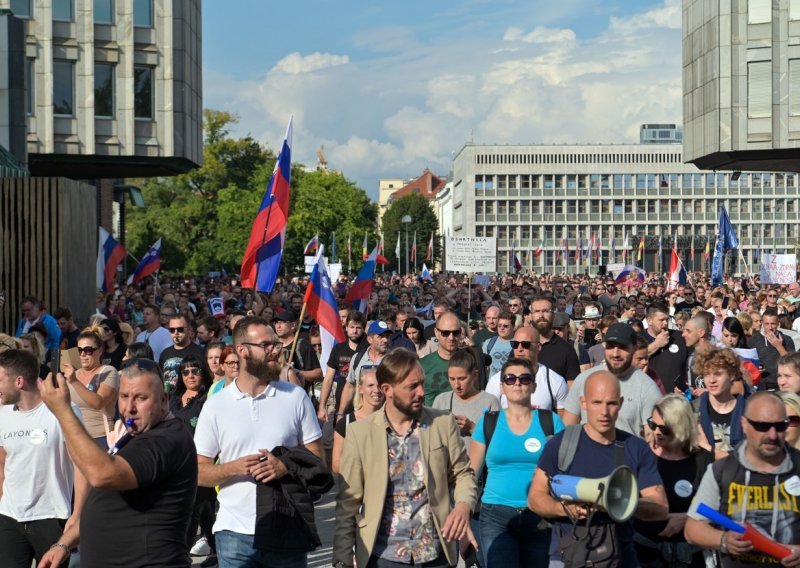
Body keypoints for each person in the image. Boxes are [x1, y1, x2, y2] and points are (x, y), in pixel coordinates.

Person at [37, 358, 198, 568]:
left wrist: (63, 411)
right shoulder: (138, 432)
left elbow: (101, 474)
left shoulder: (166, 440)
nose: (129, 407)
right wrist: (63, 544)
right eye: (124, 396)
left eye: (141, 398)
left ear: (163, 400)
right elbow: (105, 500)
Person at [194, 316, 323, 567]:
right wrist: (233, 468)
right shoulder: (216, 406)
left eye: (276, 345)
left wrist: (286, 466)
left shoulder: (295, 397)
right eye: (266, 346)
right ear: (242, 350)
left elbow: (318, 460)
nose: (275, 351)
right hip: (234, 535)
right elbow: (198, 471)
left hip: (287, 528)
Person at [333, 348, 478, 568]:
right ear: (387, 390)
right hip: (384, 555)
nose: (421, 392)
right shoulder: (360, 433)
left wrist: (463, 505)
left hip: (435, 553)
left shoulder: (442, 423)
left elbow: (462, 474)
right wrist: (343, 557)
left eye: (421, 383)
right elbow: (348, 501)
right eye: (412, 386)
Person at [528, 371, 668, 567]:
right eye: (596, 403)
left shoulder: (635, 448)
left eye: (611, 403)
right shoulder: (561, 444)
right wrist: (563, 509)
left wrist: (622, 503)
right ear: (583, 403)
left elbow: (660, 508)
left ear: (620, 403)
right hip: (567, 556)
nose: (604, 412)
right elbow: (535, 497)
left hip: (620, 557)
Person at [685, 392, 800, 567]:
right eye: (762, 426)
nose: (773, 435)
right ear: (744, 424)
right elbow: (693, 528)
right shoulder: (721, 471)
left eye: (780, 426)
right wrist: (723, 540)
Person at [470, 357, 564, 567]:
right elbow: (471, 473)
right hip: (496, 515)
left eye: (524, 378)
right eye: (510, 379)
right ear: (502, 386)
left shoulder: (551, 422)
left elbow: (564, 470)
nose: (517, 383)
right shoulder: (488, 422)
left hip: (539, 515)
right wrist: (463, 511)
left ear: (533, 385)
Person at [0, 349, 88, 568]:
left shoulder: (62, 410)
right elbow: (2, 463)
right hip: (9, 516)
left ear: (19, 381)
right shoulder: (2, 413)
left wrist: (77, 514)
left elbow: (82, 467)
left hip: (52, 516)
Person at [634, 394, 713, 567]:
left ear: (681, 427)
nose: (656, 432)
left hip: (690, 554)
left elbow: (718, 508)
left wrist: (686, 518)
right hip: (644, 552)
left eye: (665, 428)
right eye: (653, 424)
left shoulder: (703, 461)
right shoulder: (641, 456)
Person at [563, 323, 663, 437]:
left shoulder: (647, 388)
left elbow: (653, 439)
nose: (615, 353)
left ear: (634, 348)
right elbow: (568, 430)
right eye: (610, 346)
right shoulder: (584, 380)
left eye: (622, 347)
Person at [169, 356, 217, 562]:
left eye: (195, 371)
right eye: (185, 372)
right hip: (174, 463)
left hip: (200, 463)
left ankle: (181, 557)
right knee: (202, 511)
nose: (190, 375)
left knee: (196, 510)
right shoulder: (173, 397)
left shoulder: (208, 399)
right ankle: (215, 550)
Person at [485, 325, 568, 414]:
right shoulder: (496, 381)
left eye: (525, 344)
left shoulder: (555, 381)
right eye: (515, 344)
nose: (520, 349)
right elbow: (489, 421)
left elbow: (563, 423)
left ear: (538, 347)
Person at [62, 327, 120, 449]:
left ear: (100, 350)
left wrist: (74, 381)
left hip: (99, 437)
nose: (83, 354)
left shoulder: (108, 371)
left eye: (88, 350)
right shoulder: (74, 374)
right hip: (74, 438)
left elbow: (98, 402)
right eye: (79, 350)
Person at [433, 348, 500, 446]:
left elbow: (497, 441)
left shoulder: (490, 401)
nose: (456, 385)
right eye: (452, 379)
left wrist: (472, 428)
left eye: (462, 379)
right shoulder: (441, 400)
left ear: (474, 375)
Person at [694, 348, 747, 459]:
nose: (711, 380)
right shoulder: (694, 410)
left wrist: (708, 449)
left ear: (732, 375)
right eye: (707, 374)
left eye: (717, 374)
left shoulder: (748, 411)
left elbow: (750, 457)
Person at [331, 367, 384, 473]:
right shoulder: (345, 424)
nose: (376, 390)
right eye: (370, 385)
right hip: (356, 486)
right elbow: (336, 465)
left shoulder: (390, 420)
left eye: (379, 386)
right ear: (360, 388)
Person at [337, 320, 391, 416]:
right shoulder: (358, 358)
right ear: (370, 339)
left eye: (387, 336)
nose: (385, 340)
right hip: (361, 417)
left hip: (385, 416)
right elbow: (350, 386)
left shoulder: (393, 360)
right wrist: (340, 414)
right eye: (380, 337)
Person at [530, 295, 580, 383]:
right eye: (537, 311)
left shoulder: (567, 351)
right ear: (531, 315)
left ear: (553, 315)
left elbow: (572, 390)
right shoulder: (520, 346)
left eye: (545, 311)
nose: (541, 316)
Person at [421, 311, 466, 406]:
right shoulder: (422, 365)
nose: (451, 337)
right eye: (445, 333)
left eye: (456, 332)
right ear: (436, 333)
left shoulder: (471, 361)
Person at [643, 303, 688, 394]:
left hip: (675, 397)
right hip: (650, 396)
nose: (665, 323)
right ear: (649, 321)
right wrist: (656, 344)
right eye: (661, 320)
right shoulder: (638, 338)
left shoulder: (679, 337)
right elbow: (632, 360)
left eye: (667, 319)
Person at [748, 308, 796, 391]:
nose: (770, 327)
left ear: (778, 324)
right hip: (761, 386)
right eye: (767, 324)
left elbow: (793, 364)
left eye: (773, 324)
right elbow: (747, 365)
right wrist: (755, 368)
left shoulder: (787, 340)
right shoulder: (753, 340)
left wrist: (779, 347)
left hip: (782, 386)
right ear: (762, 323)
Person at [159, 313, 206, 390]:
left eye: (180, 329)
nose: (176, 333)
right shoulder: (165, 353)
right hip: (170, 400)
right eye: (172, 330)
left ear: (189, 329)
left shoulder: (200, 352)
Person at [482, 311, 515, 376]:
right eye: (499, 325)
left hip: (510, 383)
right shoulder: (489, 343)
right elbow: (482, 365)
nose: (501, 328)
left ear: (513, 326)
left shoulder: (518, 344)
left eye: (505, 326)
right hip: (492, 384)